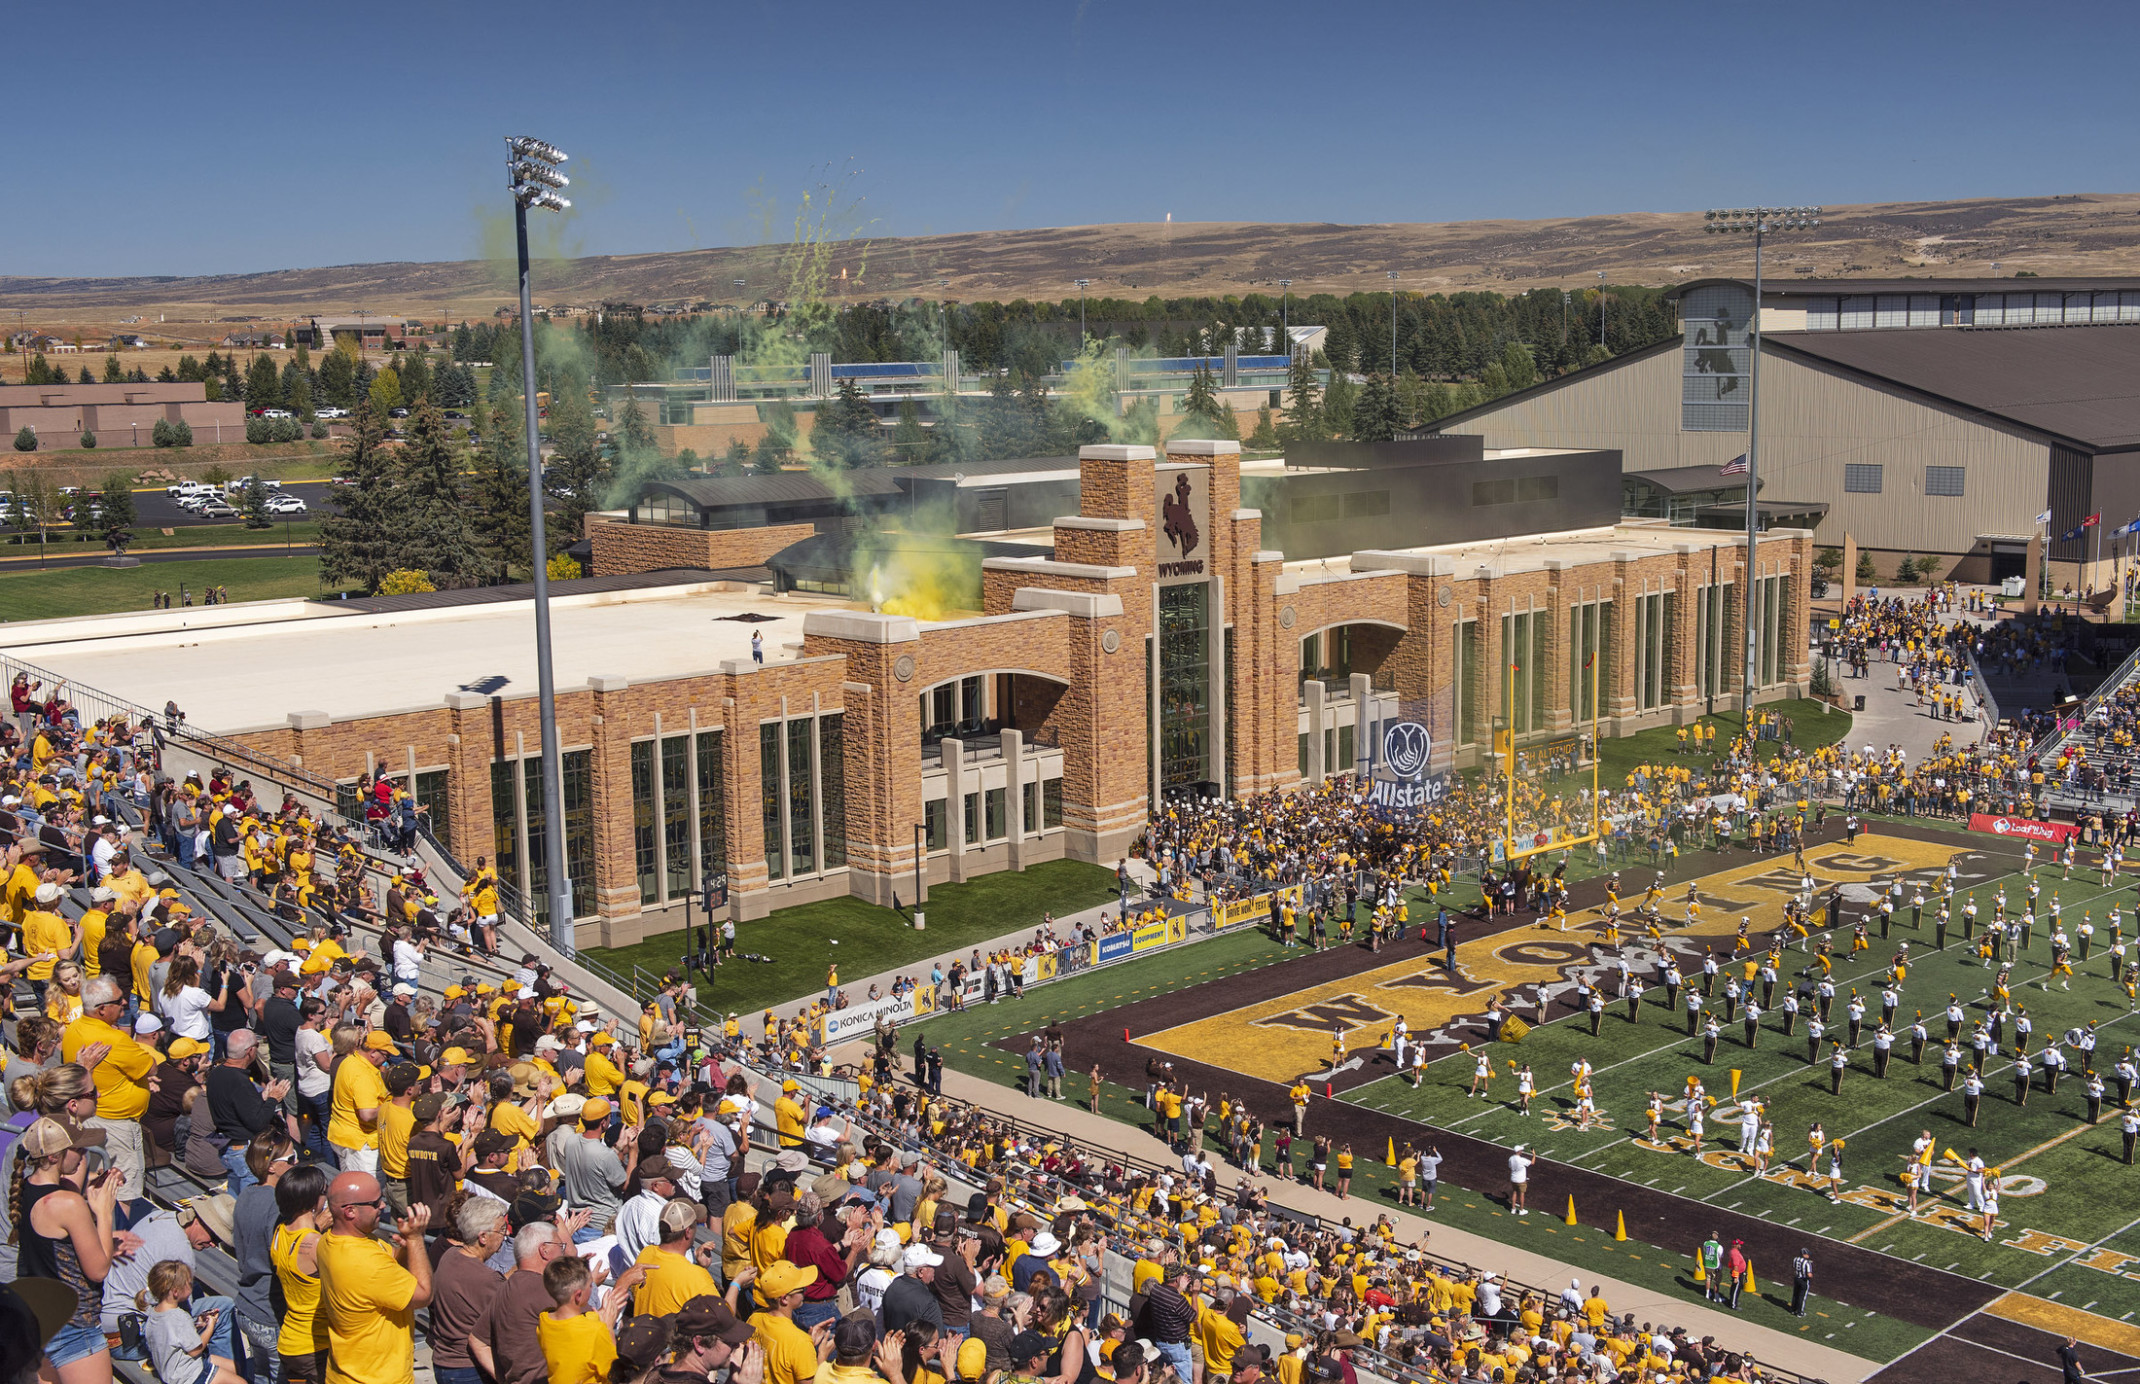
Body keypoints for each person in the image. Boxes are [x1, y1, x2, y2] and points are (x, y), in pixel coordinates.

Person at [15, 1115, 122, 1384]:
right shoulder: (68, 1204)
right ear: (53, 1157)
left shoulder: (24, 1188)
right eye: (78, 1149)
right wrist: (104, 1212)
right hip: (74, 1327)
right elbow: (98, 1270)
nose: (84, 1155)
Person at [315, 1171, 431, 1384]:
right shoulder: (364, 1262)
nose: (383, 1206)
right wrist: (416, 1240)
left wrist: (406, 1248)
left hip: (346, 1372)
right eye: (375, 1202)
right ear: (350, 1211)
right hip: (377, 1377)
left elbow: (389, 1265)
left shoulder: (328, 1242)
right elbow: (423, 1295)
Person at [61, 976, 154, 1198]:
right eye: (119, 1000)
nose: (124, 1002)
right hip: (116, 1127)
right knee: (121, 1190)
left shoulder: (74, 1028)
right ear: (102, 1009)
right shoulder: (113, 1039)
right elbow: (151, 1068)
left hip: (92, 1119)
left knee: (96, 1183)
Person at [430, 1201, 509, 1384]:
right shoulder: (487, 1278)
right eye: (501, 1230)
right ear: (483, 1237)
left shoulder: (450, 1256)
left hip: (443, 1362)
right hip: (469, 1369)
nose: (505, 1236)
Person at [536, 1255, 641, 1384]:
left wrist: (601, 1314)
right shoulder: (596, 1332)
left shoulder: (544, 1318)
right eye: (591, 1285)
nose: (592, 1287)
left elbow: (576, 1326)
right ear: (578, 1295)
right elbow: (615, 1375)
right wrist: (608, 1328)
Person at [138, 1260, 242, 1384]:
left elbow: (175, 1337)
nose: (192, 1286)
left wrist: (198, 1324)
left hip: (172, 1372)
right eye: (189, 1284)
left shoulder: (154, 1315)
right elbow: (196, 1350)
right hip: (190, 1375)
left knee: (234, 1367)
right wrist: (211, 1326)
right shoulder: (179, 1316)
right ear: (176, 1291)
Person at [1790, 1248, 1813, 1318]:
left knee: (1795, 1295)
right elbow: (1809, 1274)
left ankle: (1793, 1309)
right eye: (1807, 1254)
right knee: (1802, 1297)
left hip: (1796, 1279)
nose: (1808, 1255)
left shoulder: (1795, 1259)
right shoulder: (1807, 1263)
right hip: (1803, 1280)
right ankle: (1799, 1312)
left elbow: (1794, 1268)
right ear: (1804, 1254)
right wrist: (1811, 1276)